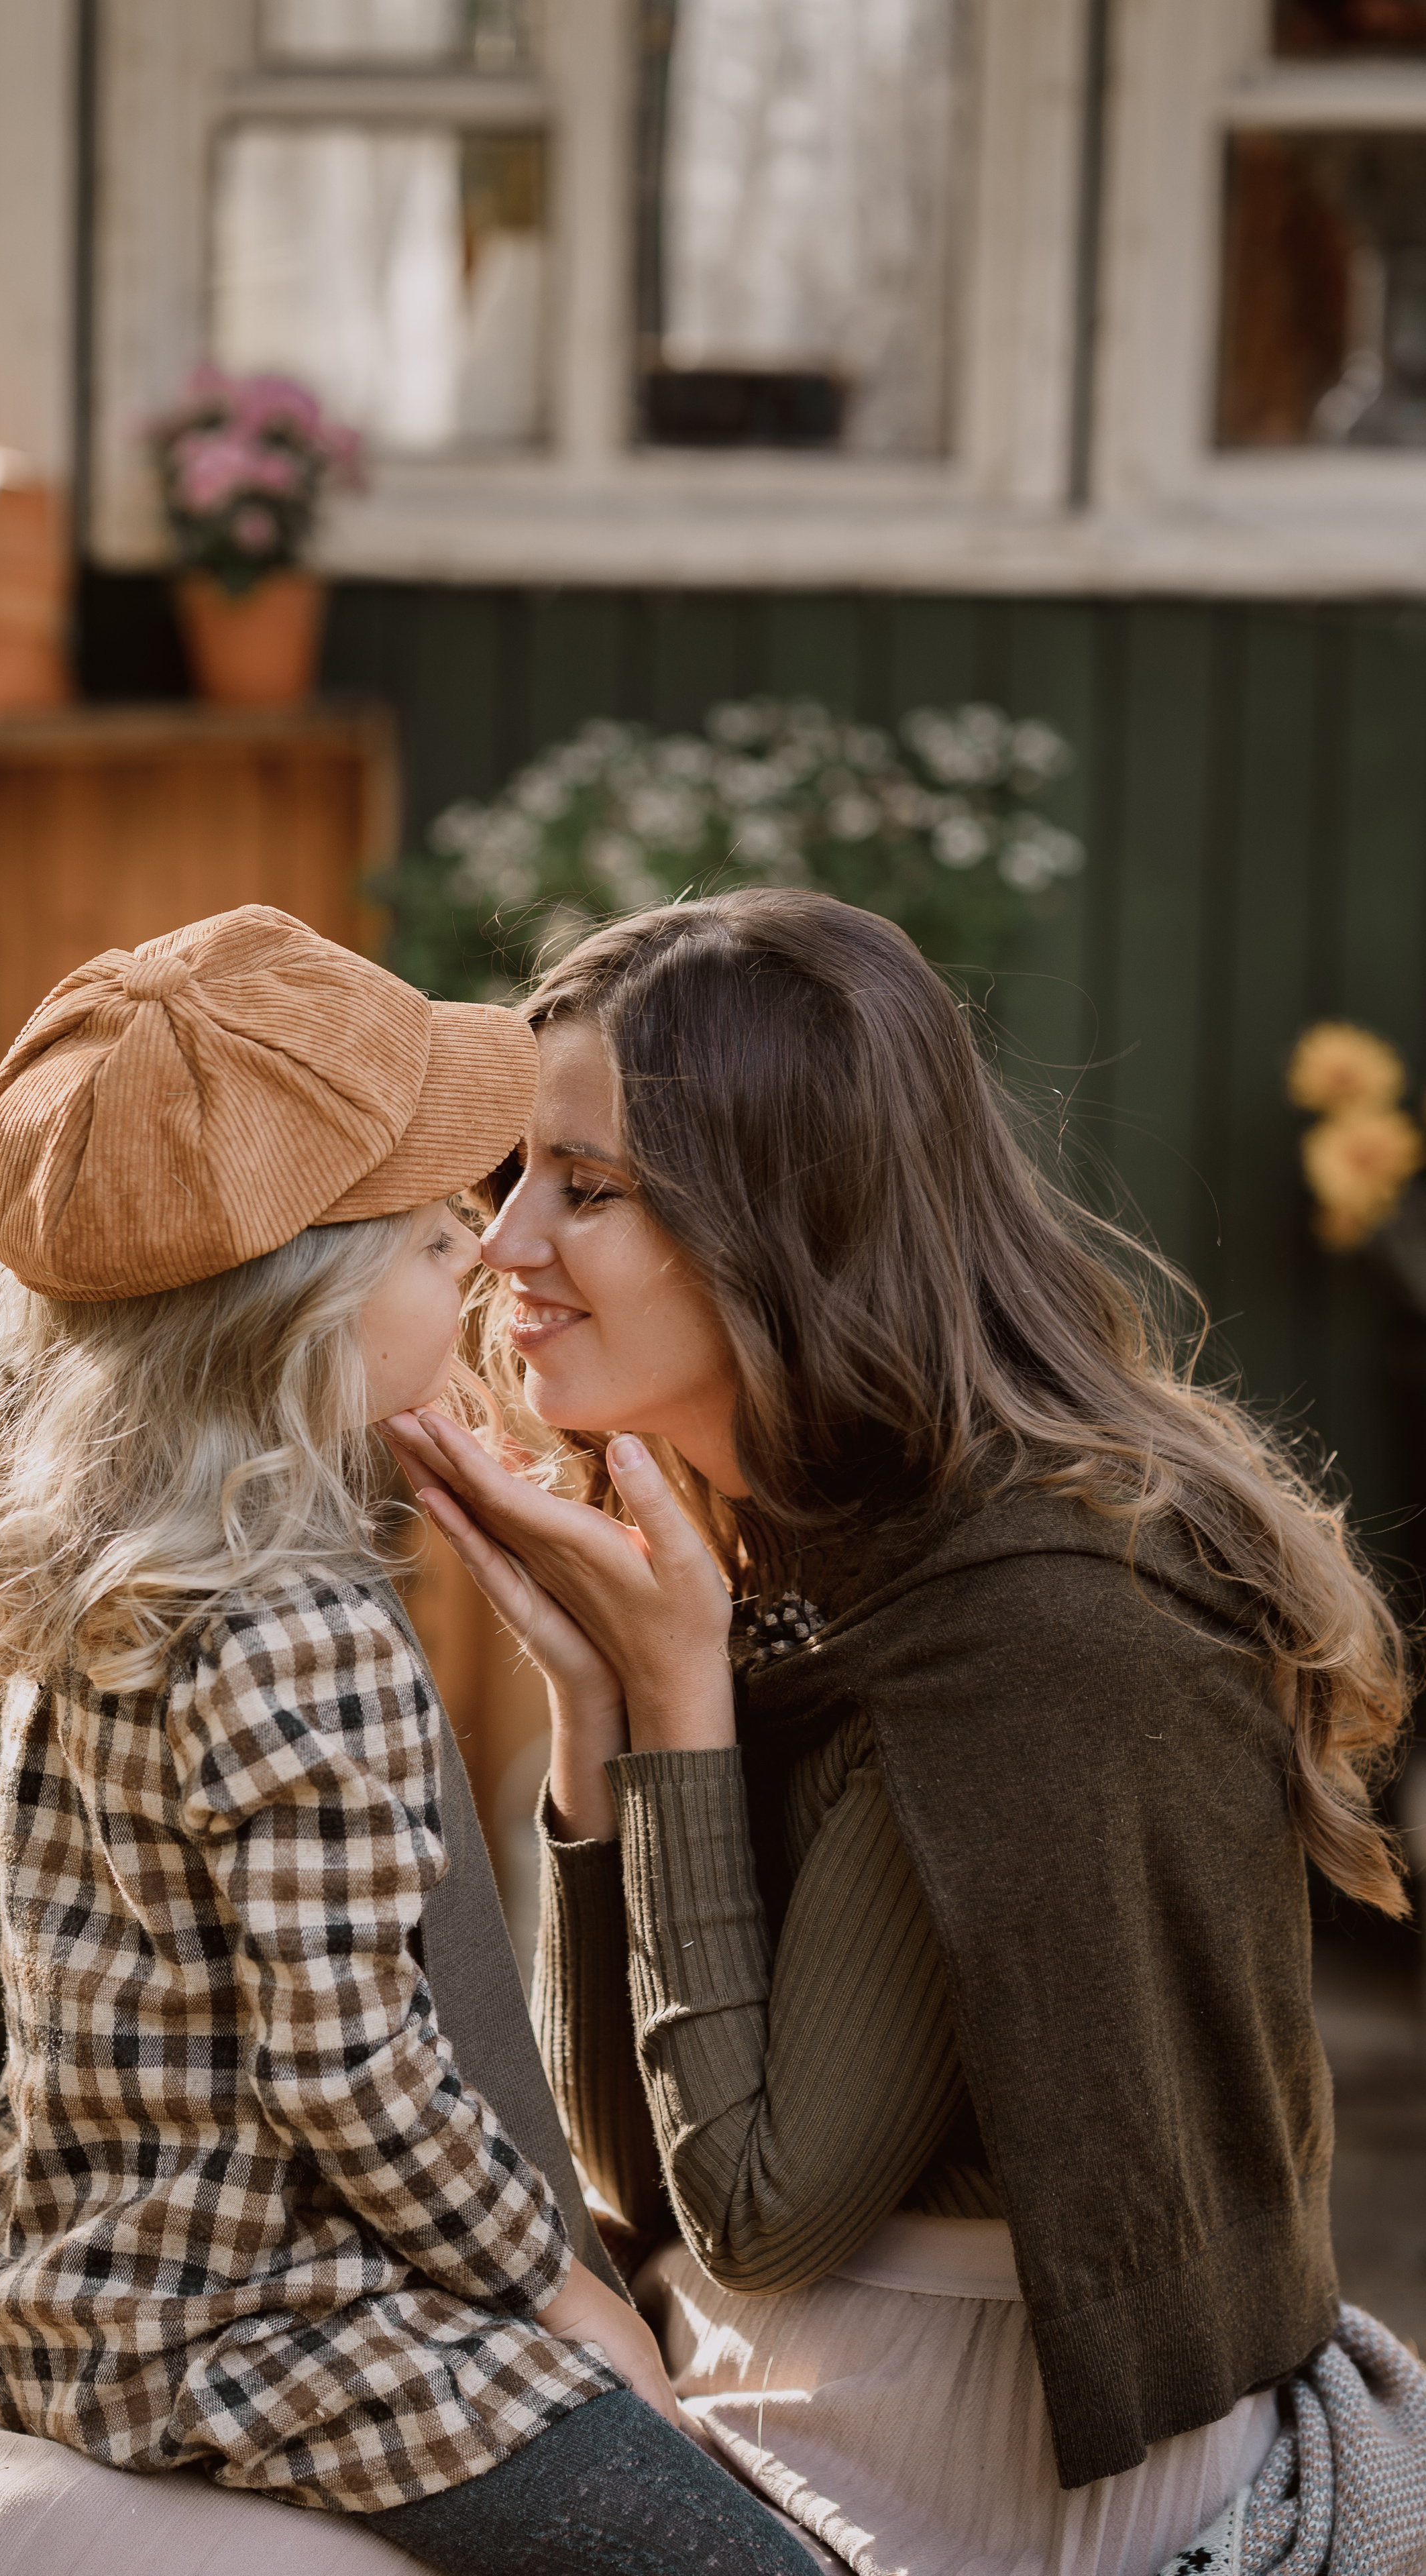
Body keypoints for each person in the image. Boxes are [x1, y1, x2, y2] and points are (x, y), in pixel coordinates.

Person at [382, 889, 1426, 2576]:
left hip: (975, 2495)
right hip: (794, 2401)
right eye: (511, 1181)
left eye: (583, 1190)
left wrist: (676, 1708)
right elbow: (633, 2183)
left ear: (780, 1223)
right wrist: (596, 1707)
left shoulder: (1034, 1622)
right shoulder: (795, 1553)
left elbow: (756, 2216)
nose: (504, 1246)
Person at [0, 904, 820, 2576]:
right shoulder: (300, 1626)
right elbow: (351, 2074)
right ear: (301, 1305)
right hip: (254, 2320)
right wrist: (560, 2292)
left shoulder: (116, 1584)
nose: (485, 1249)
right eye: (437, 1230)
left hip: (52, 2288)